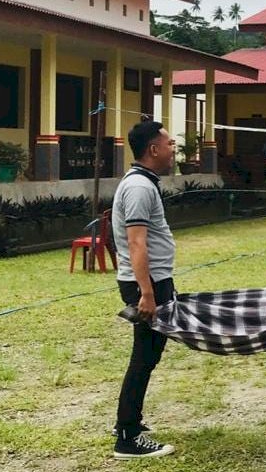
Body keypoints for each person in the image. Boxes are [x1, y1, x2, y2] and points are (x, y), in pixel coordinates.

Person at [111, 121, 177, 459]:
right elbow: (137, 244)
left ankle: (128, 421)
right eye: (169, 143)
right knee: (145, 356)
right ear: (153, 149)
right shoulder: (139, 187)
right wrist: (147, 294)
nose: (174, 147)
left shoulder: (143, 183)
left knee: (148, 355)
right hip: (147, 285)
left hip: (154, 281)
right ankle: (127, 435)